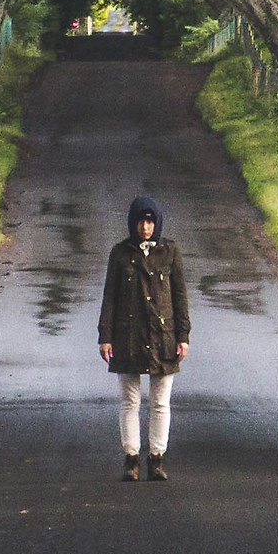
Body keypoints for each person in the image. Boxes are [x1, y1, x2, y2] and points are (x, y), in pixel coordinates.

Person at [97, 193, 189, 481]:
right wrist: (105, 336)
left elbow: (180, 296)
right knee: (130, 400)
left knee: (161, 401)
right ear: (132, 224)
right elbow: (109, 296)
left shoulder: (170, 252)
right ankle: (131, 458)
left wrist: (183, 335)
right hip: (129, 336)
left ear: (157, 223)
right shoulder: (119, 253)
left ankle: (157, 458)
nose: (145, 228)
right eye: (140, 222)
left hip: (164, 336)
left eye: (149, 222)